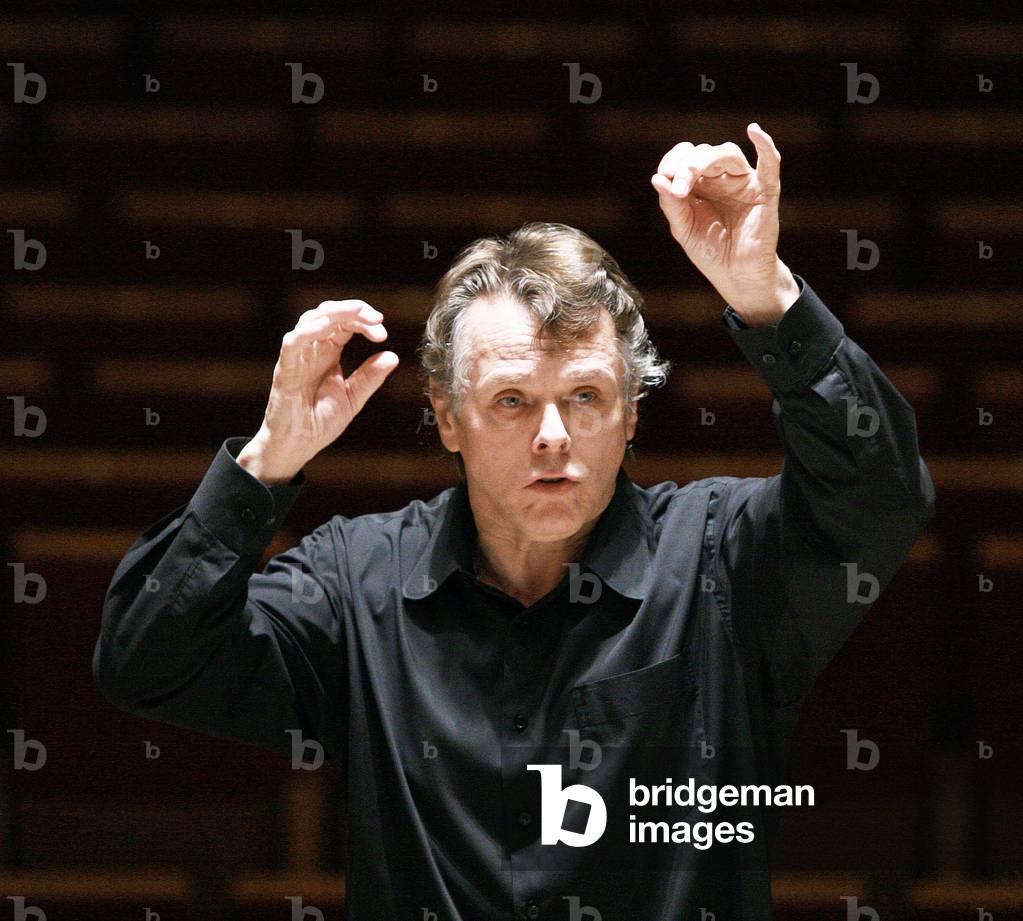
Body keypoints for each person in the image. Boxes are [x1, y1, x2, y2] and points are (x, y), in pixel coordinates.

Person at [93, 123, 936, 920]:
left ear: (631, 413)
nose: (552, 435)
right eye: (510, 401)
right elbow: (144, 660)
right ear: (447, 417)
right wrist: (268, 458)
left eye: (585, 395)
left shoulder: (720, 558)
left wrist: (766, 296)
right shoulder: (360, 580)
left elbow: (881, 497)